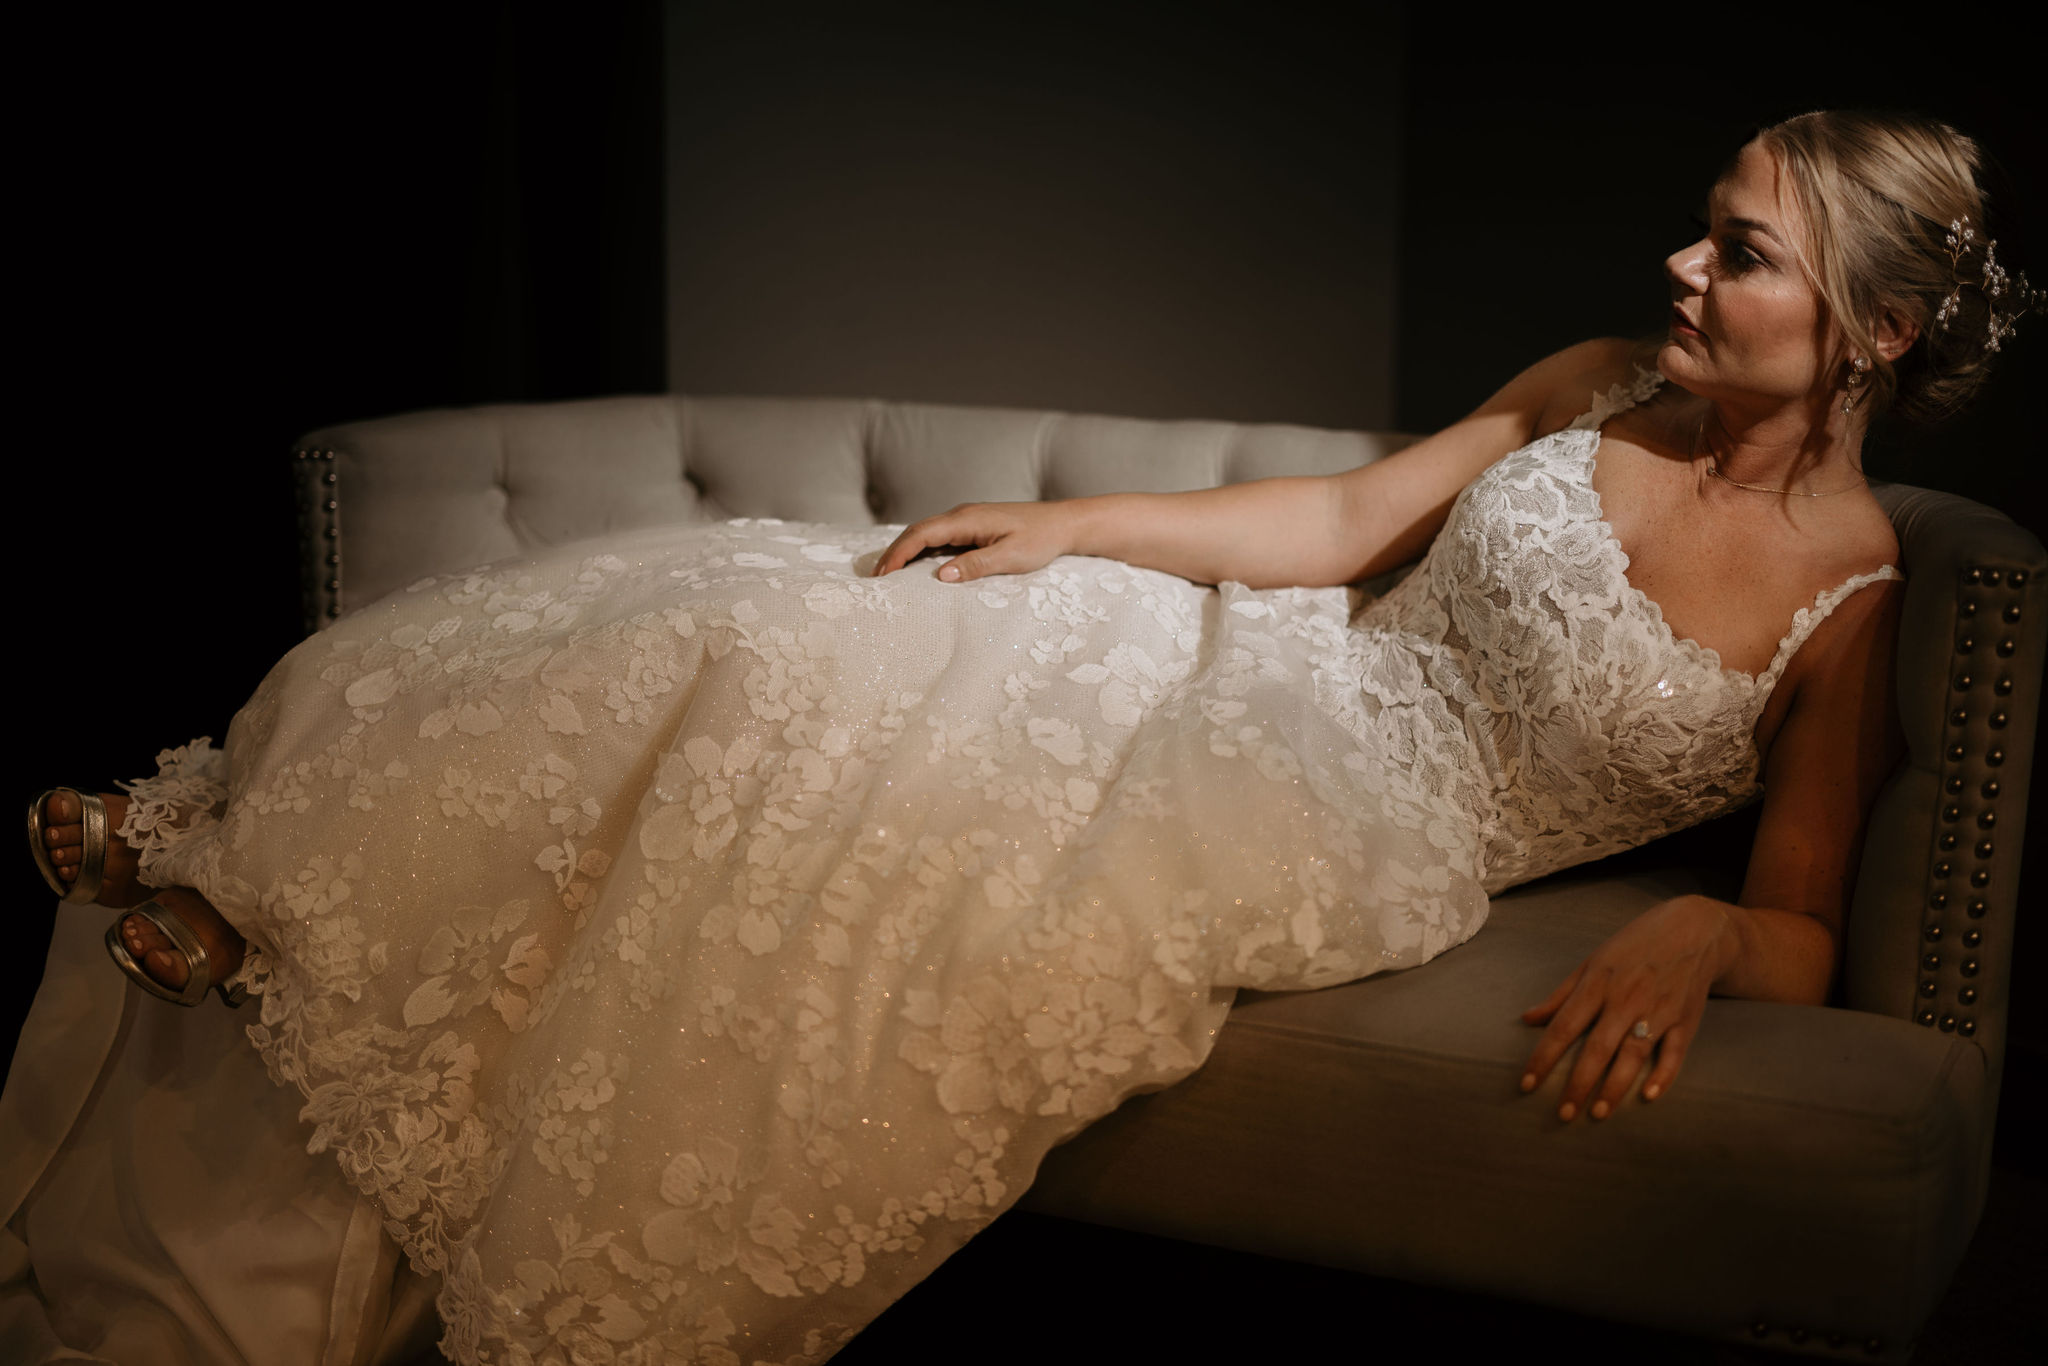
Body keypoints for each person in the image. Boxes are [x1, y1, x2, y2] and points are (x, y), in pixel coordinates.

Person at [22, 110, 2031, 1365]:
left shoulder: (1850, 596)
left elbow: (1797, 921)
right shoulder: (1599, 384)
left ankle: (270, 905)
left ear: (1868, 332)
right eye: (1702, 224)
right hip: (1248, 647)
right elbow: (1347, 523)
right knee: (780, 626)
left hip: (1355, 813)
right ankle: (251, 870)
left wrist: (1697, 928)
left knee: (887, 825)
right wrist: (1080, 527)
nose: (1682, 264)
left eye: (1742, 251)